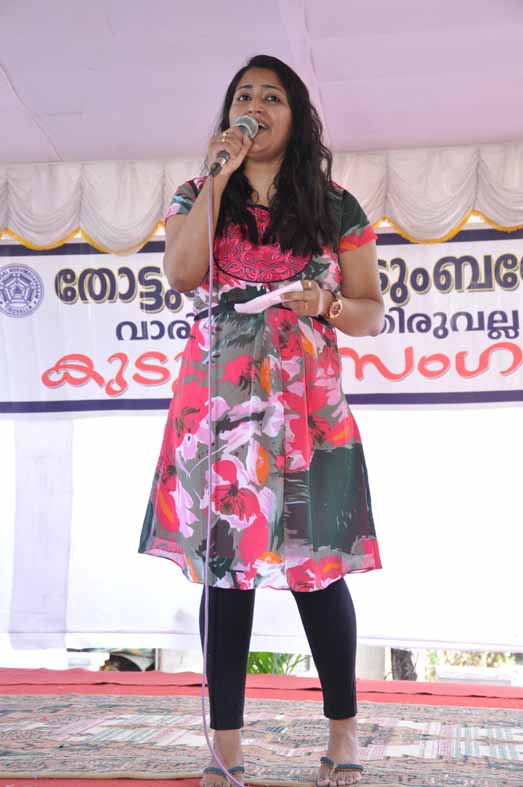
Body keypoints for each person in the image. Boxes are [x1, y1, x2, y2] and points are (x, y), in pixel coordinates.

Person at [139, 54, 384, 787]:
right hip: (219, 404)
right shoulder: (197, 192)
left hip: (309, 407)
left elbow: (370, 312)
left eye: (271, 96)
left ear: (297, 115)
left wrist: (328, 306)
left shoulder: (335, 206)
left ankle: (342, 732)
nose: (254, 106)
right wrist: (217, 177)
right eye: (243, 96)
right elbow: (182, 274)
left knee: (318, 568)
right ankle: (226, 746)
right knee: (225, 572)